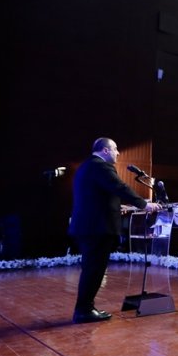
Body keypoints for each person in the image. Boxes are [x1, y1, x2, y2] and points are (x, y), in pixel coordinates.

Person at [69, 137, 160, 323]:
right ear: (105, 150)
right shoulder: (101, 166)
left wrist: (119, 207)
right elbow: (119, 187)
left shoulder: (87, 166)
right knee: (94, 270)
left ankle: (85, 308)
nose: (118, 153)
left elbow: (95, 197)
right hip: (97, 228)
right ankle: (84, 310)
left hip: (88, 226)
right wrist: (144, 204)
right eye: (115, 149)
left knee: (91, 269)